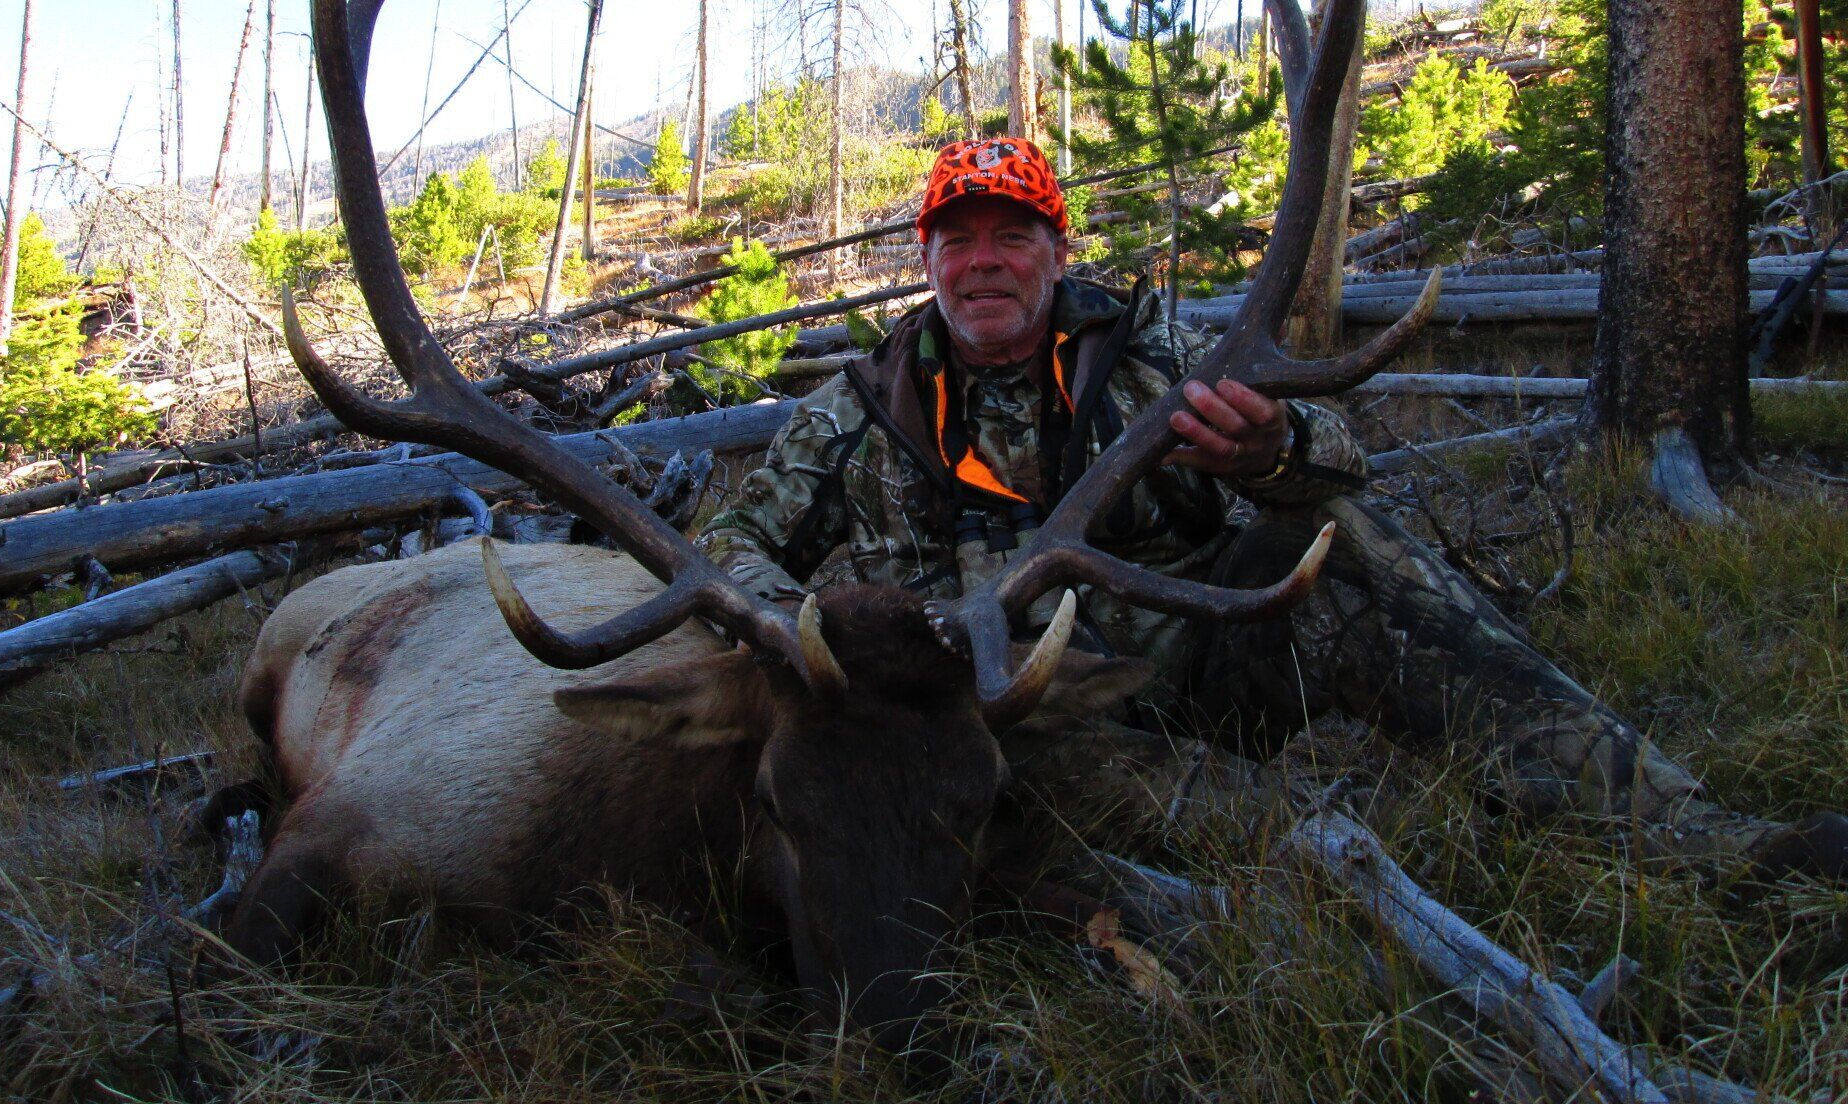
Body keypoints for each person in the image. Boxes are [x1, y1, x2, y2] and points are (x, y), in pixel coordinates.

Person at [699, 137, 1848, 882]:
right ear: (929, 266)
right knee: (1120, 819)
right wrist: (809, 631)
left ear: (1059, 251)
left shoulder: (1153, 357)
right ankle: (1311, 869)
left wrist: (1271, 448)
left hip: (1180, 665)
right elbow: (730, 548)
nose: (985, 264)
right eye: (959, 244)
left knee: (1342, 551)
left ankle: (1702, 841)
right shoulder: (855, 408)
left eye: (1013, 238)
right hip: (974, 720)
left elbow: (1341, 467)